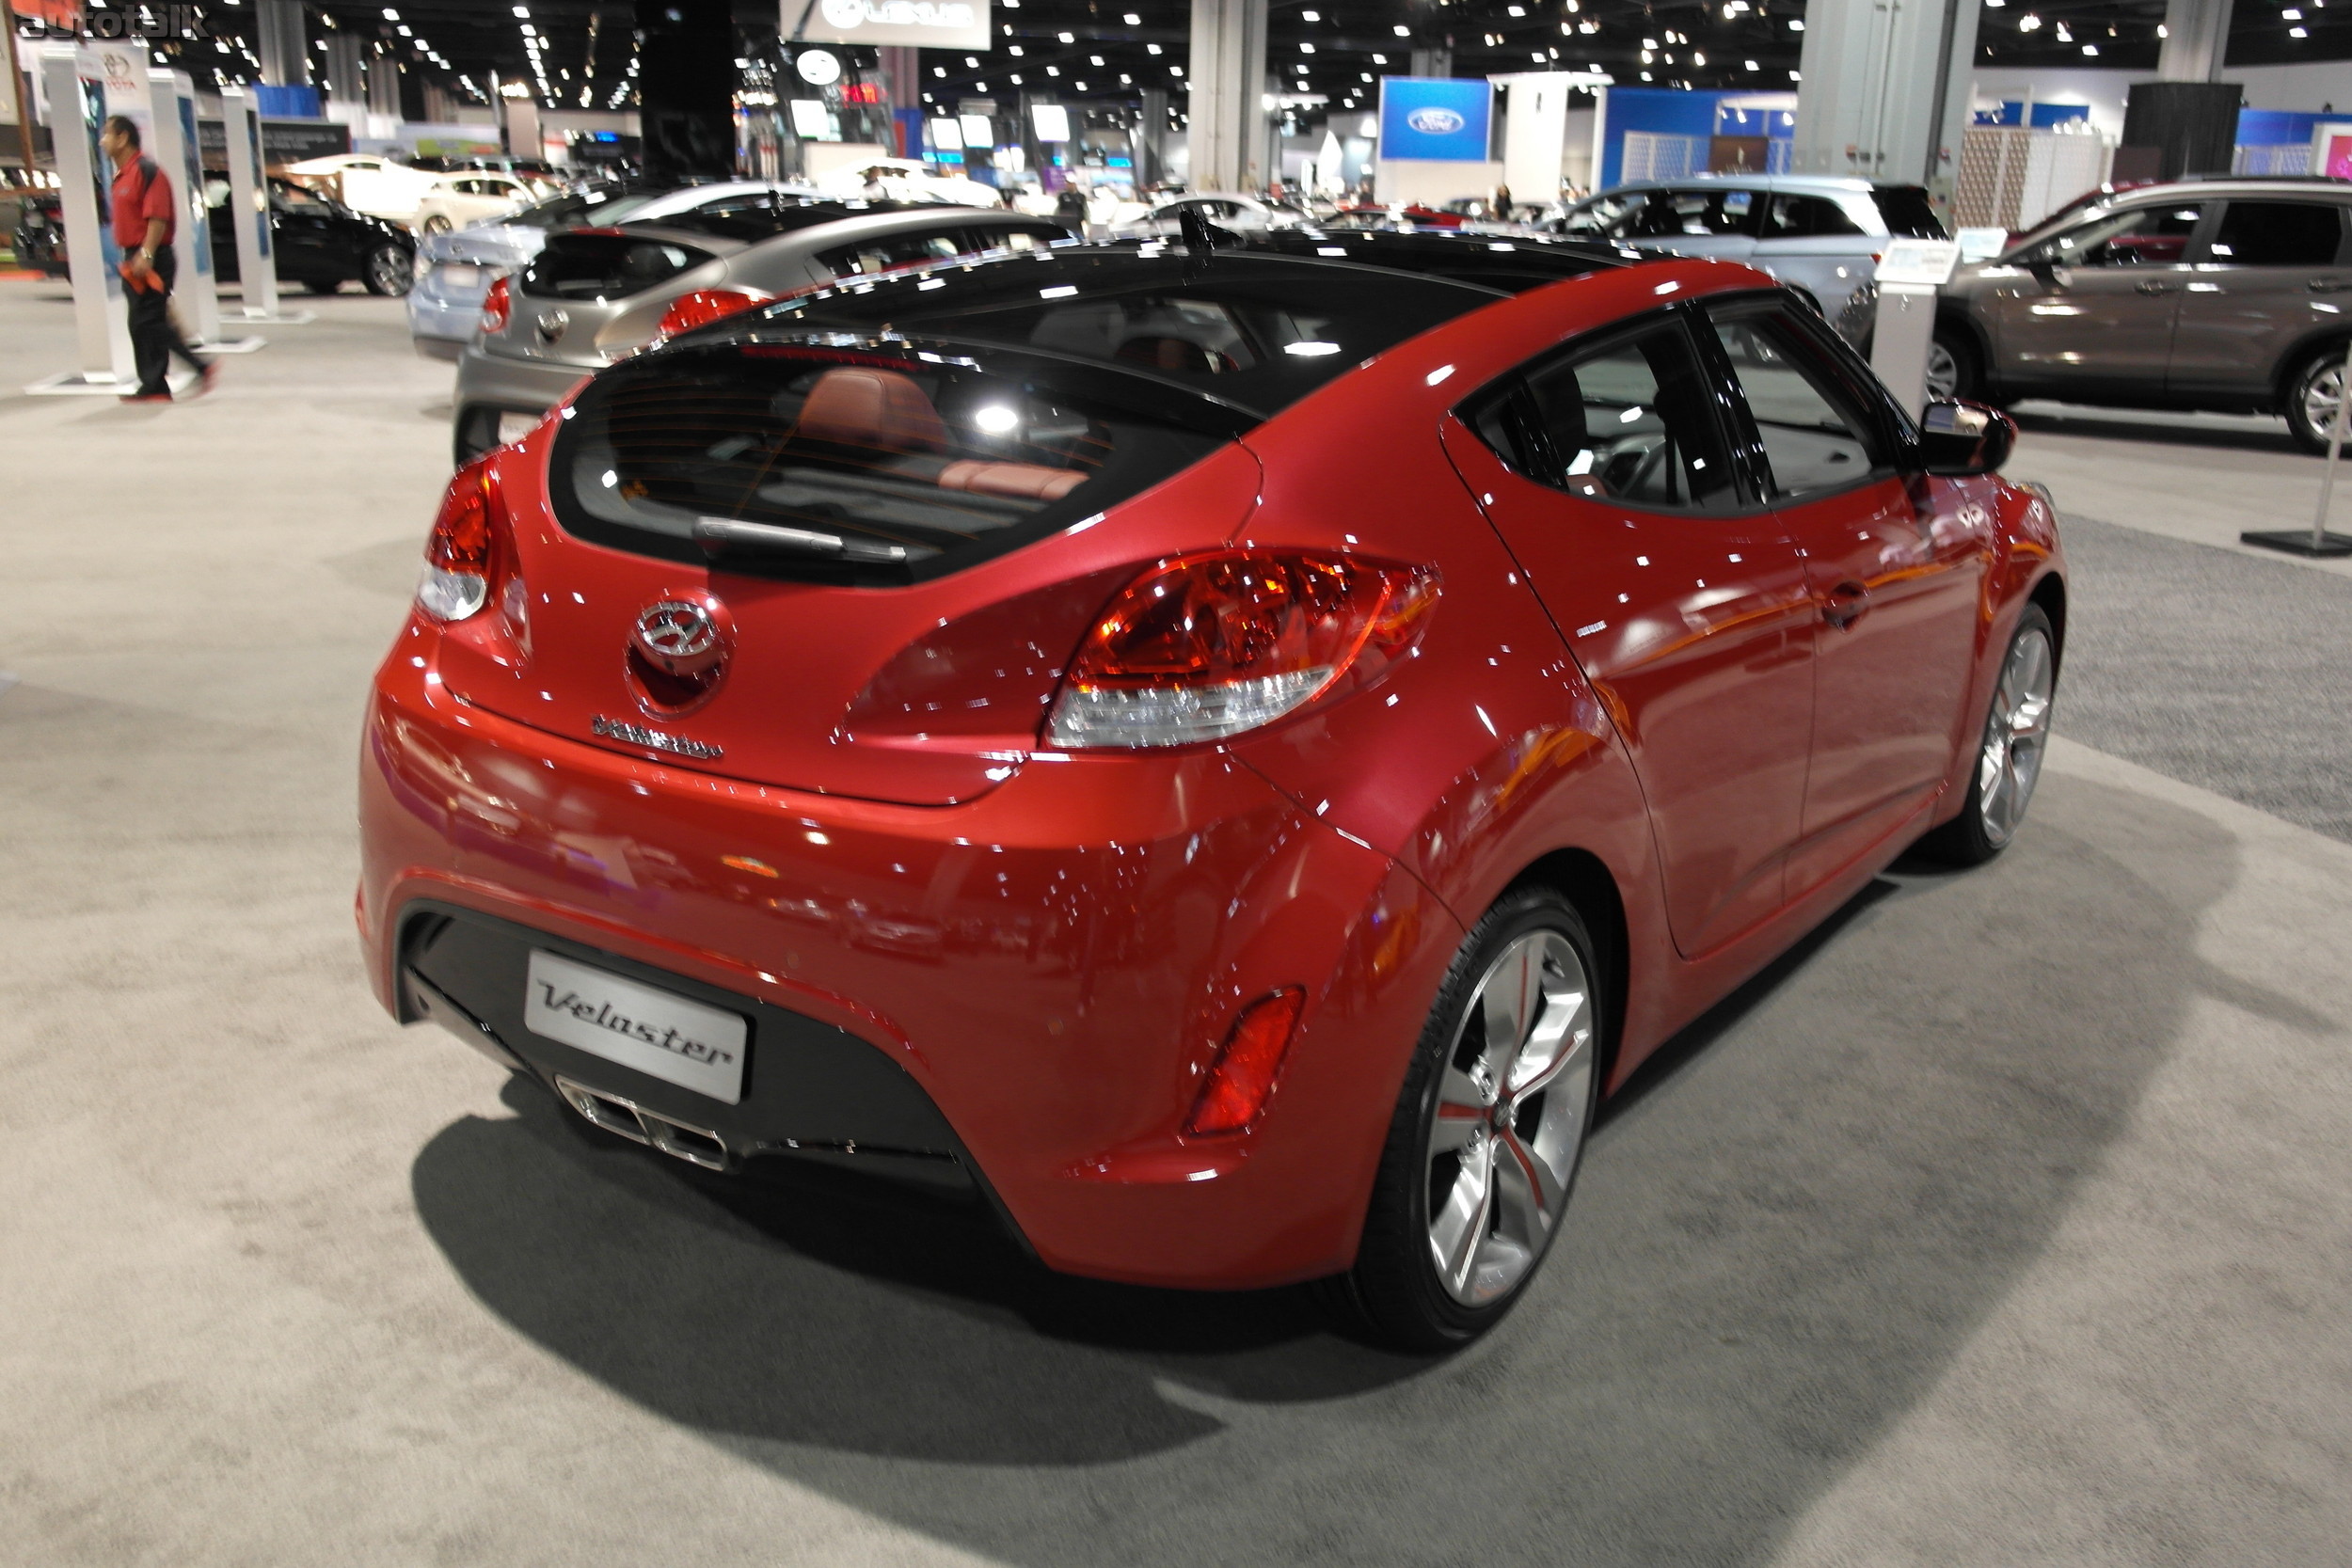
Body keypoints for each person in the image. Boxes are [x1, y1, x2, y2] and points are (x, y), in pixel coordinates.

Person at [100, 115, 211, 404]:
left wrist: (146, 253)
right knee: (141, 322)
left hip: (151, 256)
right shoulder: (122, 174)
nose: (103, 141)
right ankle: (154, 384)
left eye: (107, 135)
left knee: (149, 321)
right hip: (132, 257)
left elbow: (158, 217)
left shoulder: (148, 171)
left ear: (122, 138)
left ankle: (199, 366)